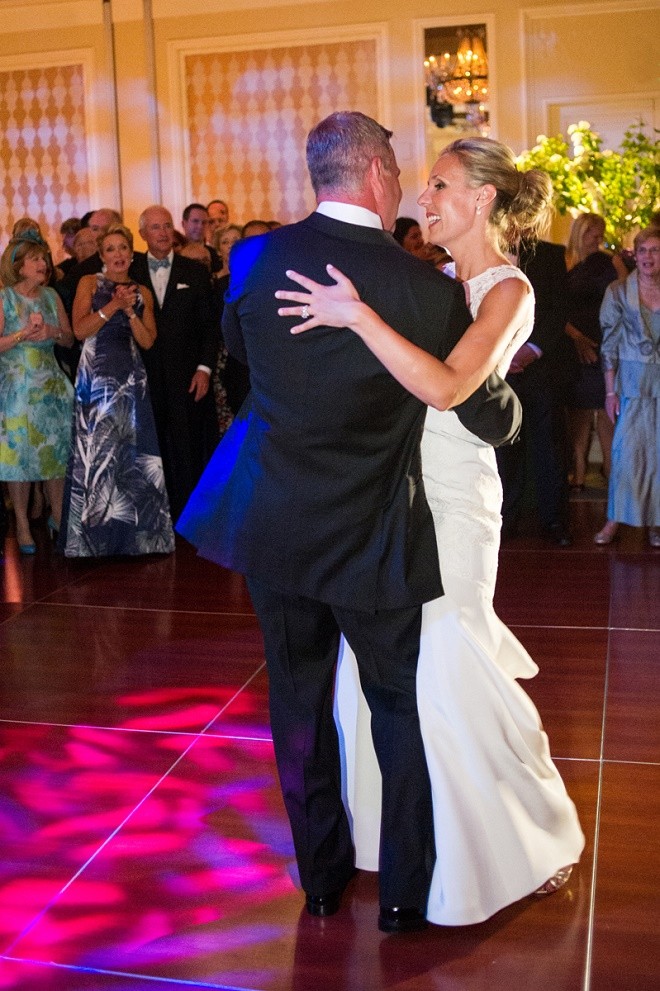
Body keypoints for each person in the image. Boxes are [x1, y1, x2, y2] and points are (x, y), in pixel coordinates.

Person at [178, 112, 521, 933]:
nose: (405, 185)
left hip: (278, 522)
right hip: (372, 530)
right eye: (401, 170)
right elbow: (481, 411)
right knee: (394, 706)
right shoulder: (423, 290)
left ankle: (323, 880)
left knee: (297, 705)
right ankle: (404, 892)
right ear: (373, 174)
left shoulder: (254, 257)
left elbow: (243, 353)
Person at [275, 135, 585, 926]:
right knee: (401, 679)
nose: (423, 198)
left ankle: (524, 836)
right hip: (401, 493)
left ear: (482, 199)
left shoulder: (507, 291)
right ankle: (410, 836)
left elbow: (446, 388)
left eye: (441, 185)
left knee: (449, 667)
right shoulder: (446, 280)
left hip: (454, 501)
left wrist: (356, 315)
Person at [58, 224, 174, 557]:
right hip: (96, 376)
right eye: (110, 249)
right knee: (99, 452)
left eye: (123, 248)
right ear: (102, 255)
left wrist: (128, 310)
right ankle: (94, 540)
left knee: (132, 453)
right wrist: (111, 307)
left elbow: (148, 340)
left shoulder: (142, 291)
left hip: (130, 377)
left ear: (130, 252)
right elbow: (80, 330)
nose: (118, 254)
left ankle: (136, 538)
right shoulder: (89, 283)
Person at [130, 206, 219, 520]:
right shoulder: (130, 273)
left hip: (186, 375)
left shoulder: (193, 271)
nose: (163, 232)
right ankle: (154, 514)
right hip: (143, 375)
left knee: (187, 446)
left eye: (167, 225)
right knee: (149, 446)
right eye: (155, 227)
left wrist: (204, 368)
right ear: (142, 234)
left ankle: (190, 515)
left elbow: (210, 326)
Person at [0, 230, 75, 553]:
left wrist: (51, 331)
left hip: (52, 389)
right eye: (35, 259)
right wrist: (21, 335)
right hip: (17, 388)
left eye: (44, 258)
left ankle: (58, 515)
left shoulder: (50, 296)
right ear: (19, 266)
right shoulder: (4, 298)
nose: (43, 263)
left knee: (55, 456)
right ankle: (21, 522)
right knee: (19, 459)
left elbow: (70, 339)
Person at [496, 239, 575, 545]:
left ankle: (555, 522)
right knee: (502, 447)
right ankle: (504, 520)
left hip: (543, 369)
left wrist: (533, 349)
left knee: (550, 446)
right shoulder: (482, 246)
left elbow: (558, 308)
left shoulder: (550, 254)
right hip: (497, 366)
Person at [594, 227, 660, 547]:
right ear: (635, 254)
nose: (649, 257)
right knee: (626, 455)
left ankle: (656, 523)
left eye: (656, 250)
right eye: (644, 250)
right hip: (631, 384)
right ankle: (614, 518)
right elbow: (609, 345)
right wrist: (610, 391)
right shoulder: (618, 291)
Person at [564, 213, 619, 490]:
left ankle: (611, 470)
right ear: (580, 233)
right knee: (579, 412)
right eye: (592, 236)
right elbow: (555, 309)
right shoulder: (565, 262)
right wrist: (575, 337)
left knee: (607, 410)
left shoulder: (609, 263)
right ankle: (580, 470)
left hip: (604, 341)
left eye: (601, 236)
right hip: (574, 343)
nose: (598, 242)